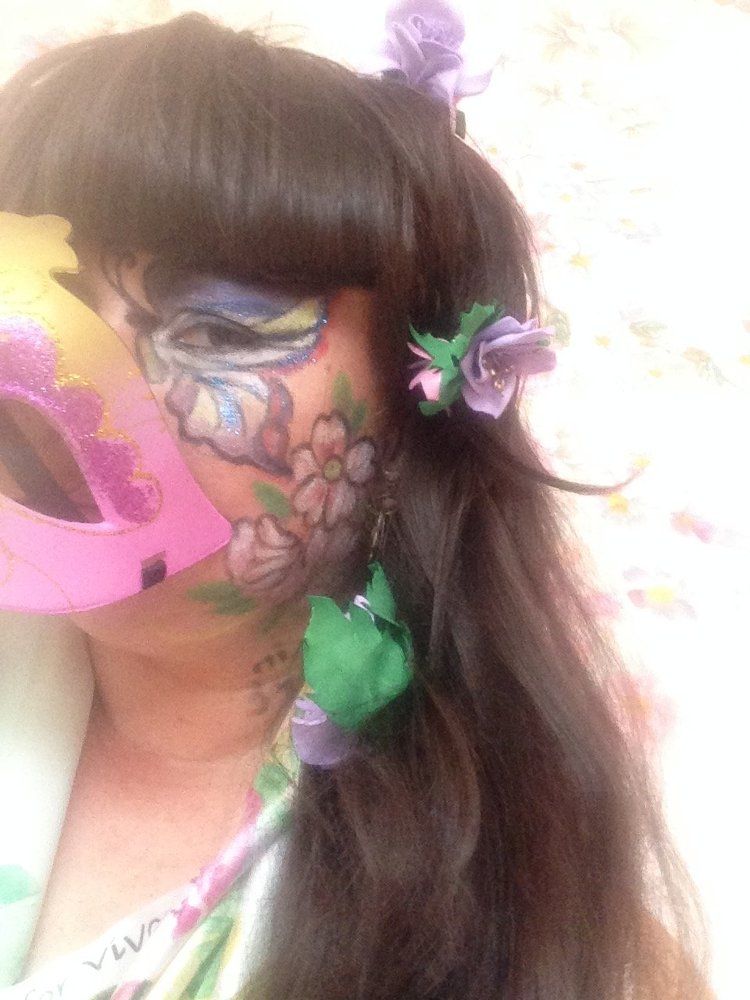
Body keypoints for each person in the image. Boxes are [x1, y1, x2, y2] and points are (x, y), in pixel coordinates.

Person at [0, 8, 714, 1000]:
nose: (55, 372)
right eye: (39, 296)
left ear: (405, 426)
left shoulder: (548, 943)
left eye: (216, 329)